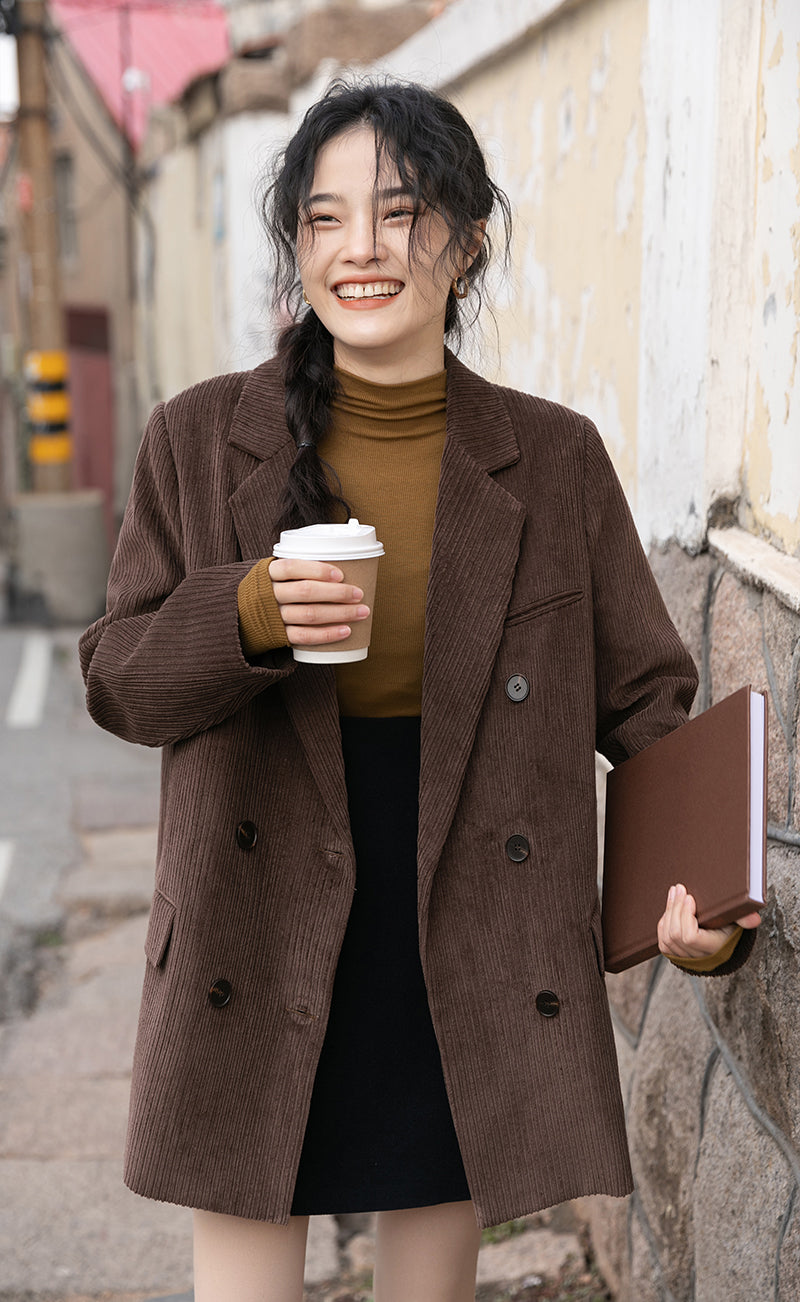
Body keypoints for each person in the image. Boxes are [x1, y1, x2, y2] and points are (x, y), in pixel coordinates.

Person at [79, 79, 760, 1302]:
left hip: (462, 919)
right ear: (296, 249)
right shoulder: (196, 439)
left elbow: (648, 705)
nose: (362, 250)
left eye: (399, 214)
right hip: (258, 904)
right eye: (326, 219)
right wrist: (246, 613)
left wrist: (700, 907)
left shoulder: (551, 459)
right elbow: (120, 683)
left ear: (467, 237)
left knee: (431, 1285)